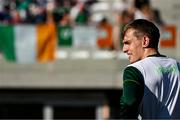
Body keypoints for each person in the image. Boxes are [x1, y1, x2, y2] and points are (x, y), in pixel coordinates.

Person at [120, 19, 180, 119]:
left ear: (145, 41)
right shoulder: (177, 66)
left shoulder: (134, 70)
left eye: (127, 43)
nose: (124, 49)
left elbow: (128, 104)